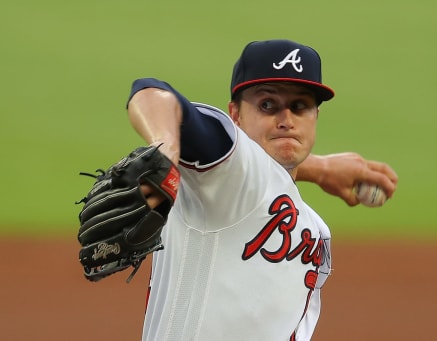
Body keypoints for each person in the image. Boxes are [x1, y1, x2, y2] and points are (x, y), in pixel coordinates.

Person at [126, 39, 398, 340]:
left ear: (316, 117)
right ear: (236, 115)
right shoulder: (228, 168)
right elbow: (153, 93)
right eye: (268, 105)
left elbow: (268, 178)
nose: (286, 120)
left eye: (300, 106)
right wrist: (165, 150)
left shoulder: (287, 203)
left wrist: (318, 169)